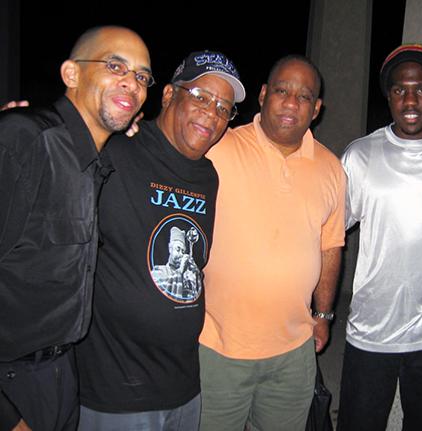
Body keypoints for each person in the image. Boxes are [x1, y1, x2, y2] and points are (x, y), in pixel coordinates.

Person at [74, 51, 245, 430]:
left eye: (223, 107)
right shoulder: (114, 149)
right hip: (115, 392)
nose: (212, 112)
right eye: (200, 96)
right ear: (168, 94)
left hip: (184, 384)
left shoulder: (209, 178)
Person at [0, 26, 151, 431]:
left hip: (62, 374)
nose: (131, 82)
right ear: (71, 74)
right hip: (14, 384)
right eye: (115, 65)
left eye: (141, 76)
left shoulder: (97, 161)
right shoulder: (25, 139)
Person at [198, 55, 346, 431]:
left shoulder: (331, 167)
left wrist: (324, 315)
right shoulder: (218, 147)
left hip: (293, 354)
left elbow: (331, 247)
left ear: (316, 110)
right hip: (218, 347)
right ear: (263, 95)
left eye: (304, 96)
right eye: (282, 90)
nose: (291, 103)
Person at [336, 44, 422, 431]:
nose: (410, 99)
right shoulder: (361, 156)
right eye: (400, 90)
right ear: (389, 96)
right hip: (371, 332)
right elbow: (328, 231)